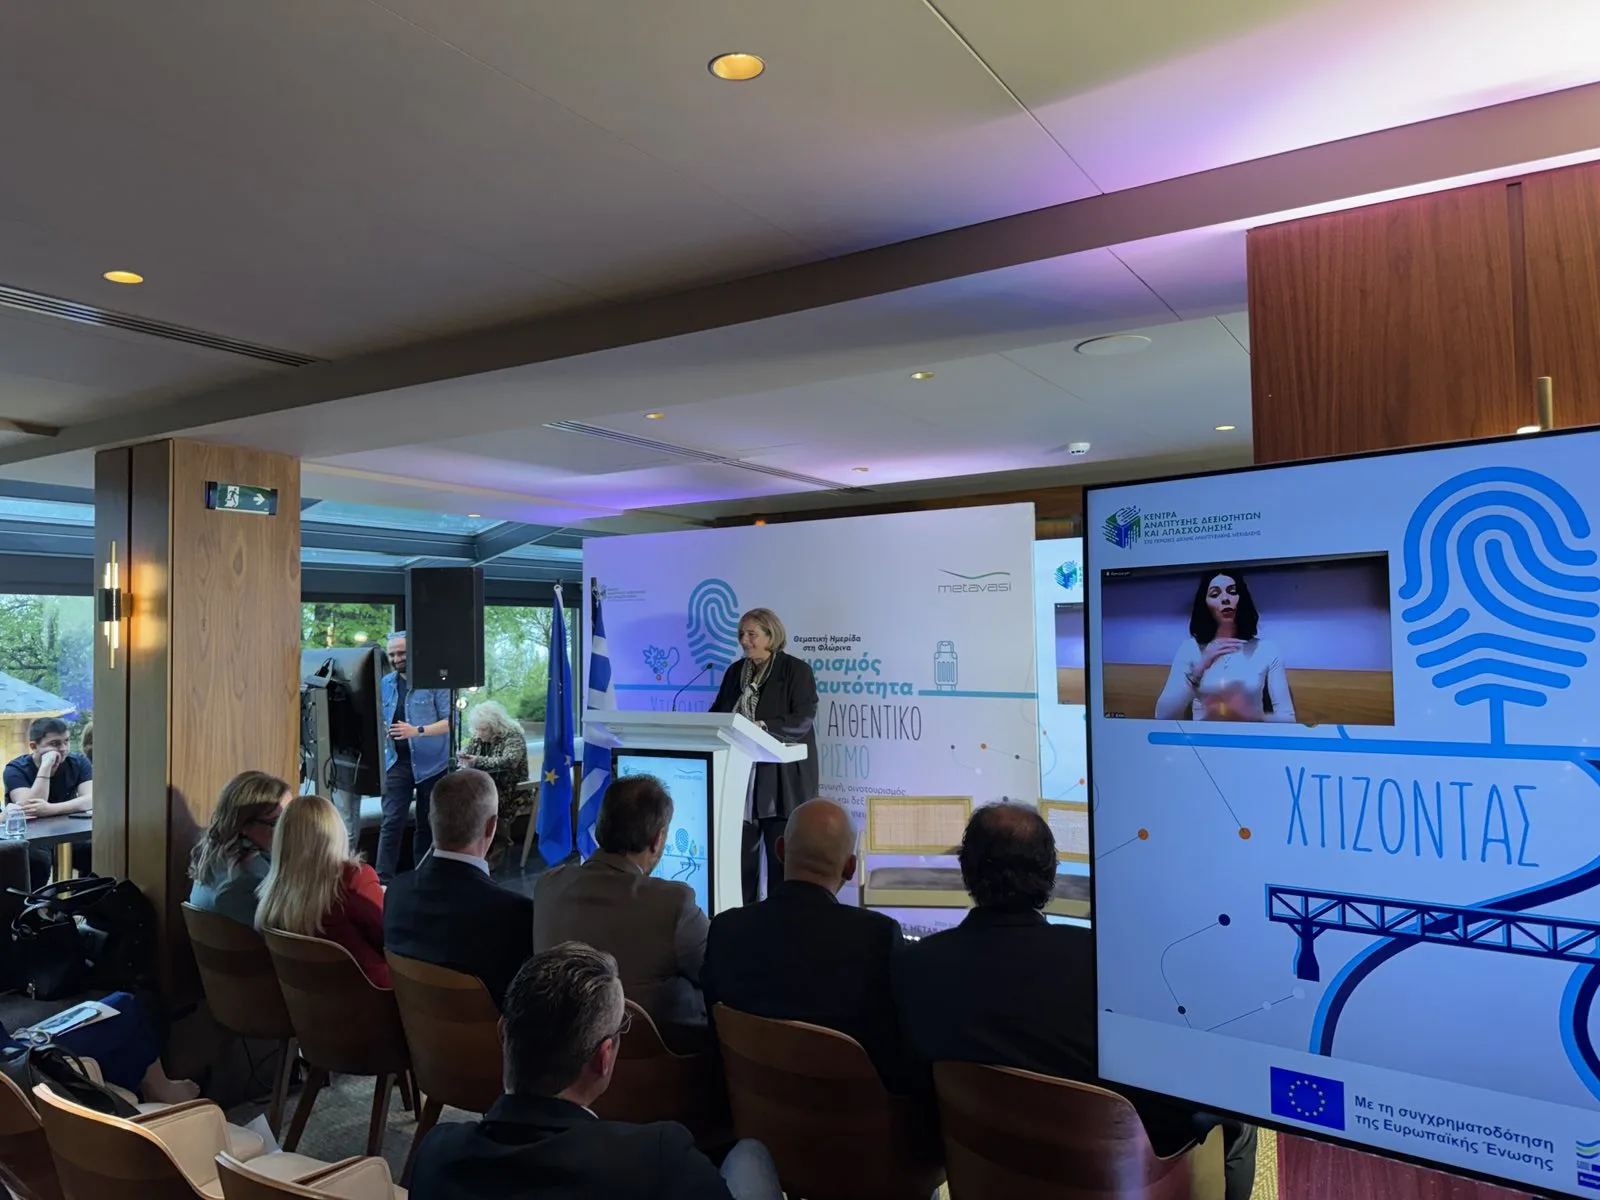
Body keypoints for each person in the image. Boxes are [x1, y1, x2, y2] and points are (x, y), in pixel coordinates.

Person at [894, 803, 1259, 1200]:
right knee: (1238, 1123)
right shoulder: (1104, 967)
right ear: (1050, 873)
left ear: (966, 870)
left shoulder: (916, 966)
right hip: (1117, 1180)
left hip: (986, 1178)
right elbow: (1168, 1110)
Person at [410, 942, 781, 1200]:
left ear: (503, 1033)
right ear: (604, 1058)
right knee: (750, 1156)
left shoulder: (435, 1155)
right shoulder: (660, 1158)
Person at [702, 799, 918, 1094]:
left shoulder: (726, 930)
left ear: (780, 850)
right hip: (852, 1115)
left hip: (750, 1109)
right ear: (850, 867)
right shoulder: (878, 938)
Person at [534, 775, 709, 1052]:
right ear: (658, 839)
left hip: (566, 1060)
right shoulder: (674, 904)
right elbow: (718, 976)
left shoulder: (547, 886)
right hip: (662, 1066)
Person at [384, 768, 534, 1009]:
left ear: (431, 820)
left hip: (412, 1030)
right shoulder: (516, 914)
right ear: (491, 827)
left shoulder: (395, 893)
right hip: (487, 1034)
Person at [708, 608, 818, 904]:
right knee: (741, 865)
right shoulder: (735, 672)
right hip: (738, 778)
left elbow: (803, 719)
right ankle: (744, 918)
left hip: (779, 782)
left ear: (771, 636)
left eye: (751, 634)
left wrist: (763, 726)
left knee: (781, 862)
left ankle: (781, 921)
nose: (744, 640)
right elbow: (718, 712)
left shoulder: (795, 670)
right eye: (741, 634)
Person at [256, 794, 390, 987]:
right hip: (374, 995)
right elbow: (390, 937)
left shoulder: (273, 895)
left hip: (306, 1000)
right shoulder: (353, 879)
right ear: (336, 832)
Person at [2, 991, 200, 1104]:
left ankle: (138, 1092)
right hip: (18, 1063)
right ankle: (159, 1089)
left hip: (11, 1051)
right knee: (123, 1006)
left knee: (109, 1021)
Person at [1154, 569, 1295, 723]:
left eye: (1232, 592)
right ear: (1205, 604)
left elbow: (1288, 718)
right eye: (1215, 594)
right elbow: (1163, 717)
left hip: (1249, 736)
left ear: (1242, 598)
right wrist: (1199, 670)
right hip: (1202, 736)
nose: (1225, 599)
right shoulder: (1190, 648)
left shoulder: (1267, 649)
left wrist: (1248, 717)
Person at [377, 631, 453, 883]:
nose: (396, 659)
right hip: (396, 762)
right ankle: (382, 881)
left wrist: (417, 731)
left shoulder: (436, 681)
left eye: (401, 653)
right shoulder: (386, 683)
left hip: (432, 764)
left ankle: (424, 878)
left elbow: (451, 721)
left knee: (428, 823)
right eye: (392, 654)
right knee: (391, 821)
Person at [187, 770, 291, 927]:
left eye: (293, 820)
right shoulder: (248, 880)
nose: (290, 830)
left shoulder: (213, 858)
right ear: (243, 825)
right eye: (278, 823)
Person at [4, 717, 93, 888]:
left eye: (66, 741)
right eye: (54, 744)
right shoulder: (15, 769)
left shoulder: (78, 762)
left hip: (69, 832)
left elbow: (91, 799)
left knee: (94, 852)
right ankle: (36, 904)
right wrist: (45, 767)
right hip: (32, 837)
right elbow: (30, 807)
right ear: (34, 746)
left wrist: (50, 809)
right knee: (37, 863)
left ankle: (81, 901)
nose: (63, 748)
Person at [457, 700, 530, 865]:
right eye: (477, 729)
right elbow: (468, 752)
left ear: (495, 726)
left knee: (487, 798)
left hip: (511, 787)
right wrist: (464, 757)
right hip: (485, 784)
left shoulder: (513, 736)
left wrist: (477, 761)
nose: (479, 733)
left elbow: (509, 762)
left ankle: (497, 844)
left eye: (483, 729)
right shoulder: (478, 736)